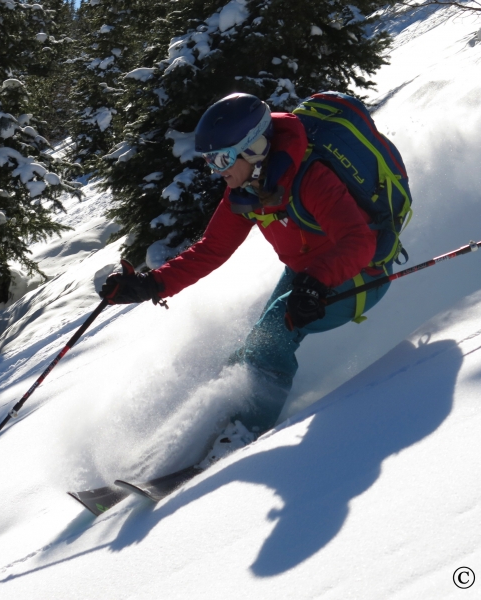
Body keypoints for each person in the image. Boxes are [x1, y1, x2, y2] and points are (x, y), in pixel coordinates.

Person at [100, 93, 392, 445]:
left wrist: (317, 283)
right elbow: (212, 249)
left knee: (270, 341)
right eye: (210, 160)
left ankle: (243, 438)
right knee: (249, 350)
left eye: (222, 158)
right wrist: (152, 284)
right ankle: (216, 425)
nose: (217, 170)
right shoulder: (246, 189)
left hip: (357, 273)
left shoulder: (310, 177)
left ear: (253, 149)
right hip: (310, 272)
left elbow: (359, 242)